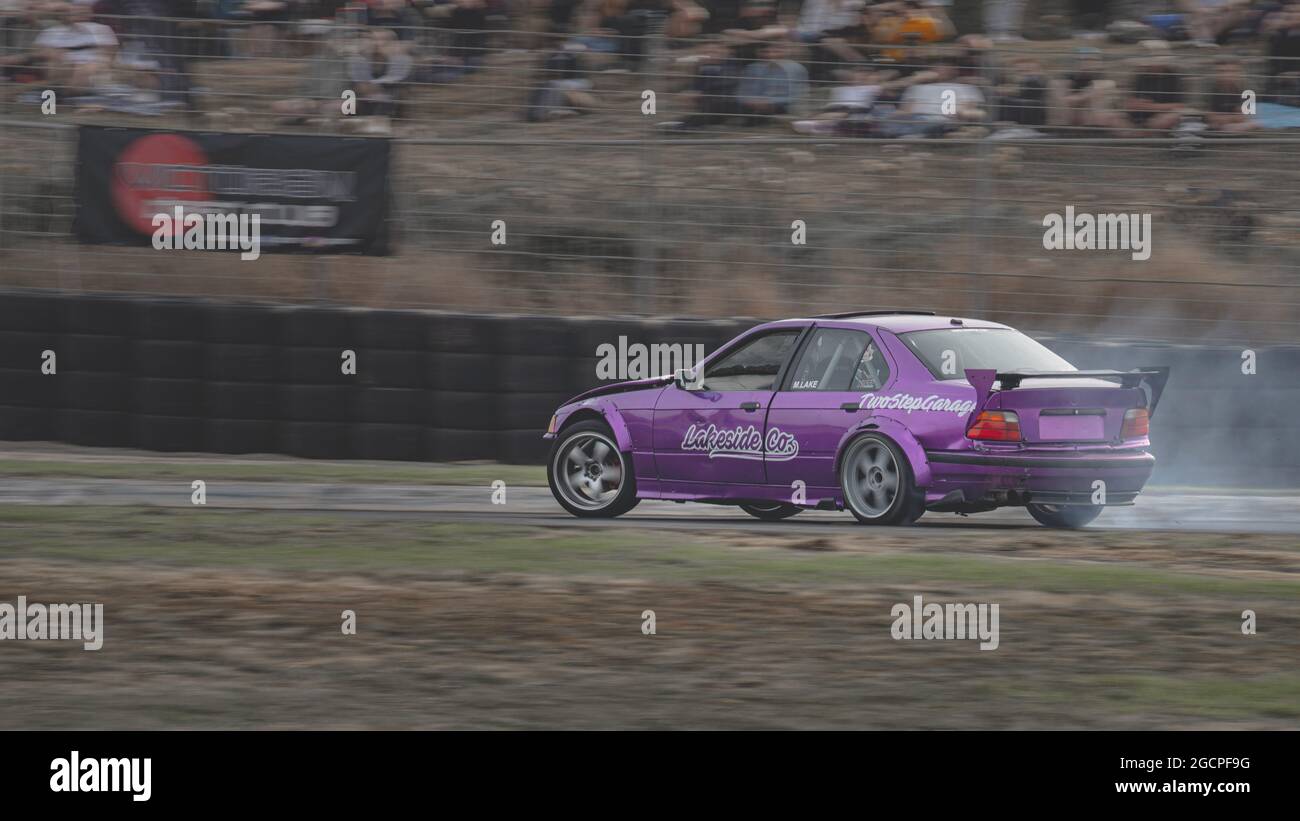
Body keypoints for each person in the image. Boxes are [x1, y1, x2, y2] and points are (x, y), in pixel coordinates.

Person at [735, 39, 808, 124]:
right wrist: (750, 100)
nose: (771, 55)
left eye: (776, 51)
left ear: (785, 52)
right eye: (765, 52)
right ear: (758, 53)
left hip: (783, 107)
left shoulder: (796, 69)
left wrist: (770, 102)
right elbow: (742, 93)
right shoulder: (752, 68)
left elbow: (796, 96)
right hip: (753, 108)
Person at [1203, 54, 1261, 131]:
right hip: (1213, 127)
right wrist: (1233, 117)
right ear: (1215, 73)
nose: (1226, 75)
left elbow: (1245, 117)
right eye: (1221, 71)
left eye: (1232, 71)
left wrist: (1219, 117)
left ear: (1240, 72)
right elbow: (1207, 115)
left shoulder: (1249, 88)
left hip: (1239, 128)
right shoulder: (1208, 85)